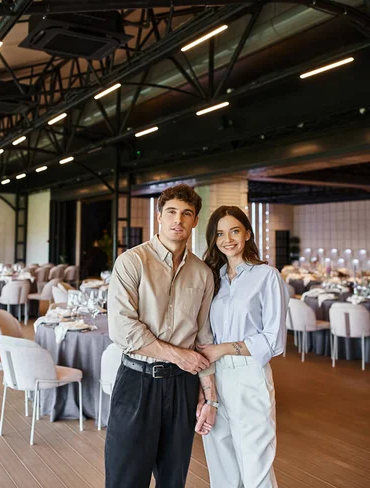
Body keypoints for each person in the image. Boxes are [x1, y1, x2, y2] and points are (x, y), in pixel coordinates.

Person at [106, 183, 218, 488]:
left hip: (183, 386)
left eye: (186, 214)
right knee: (125, 478)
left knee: (173, 478)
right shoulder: (132, 262)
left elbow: (204, 336)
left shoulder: (203, 274)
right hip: (136, 382)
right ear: (159, 216)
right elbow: (122, 328)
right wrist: (178, 355)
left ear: (195, 221)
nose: (178, 220)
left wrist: (211, 398)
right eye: (171, 212)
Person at [198, 205, 289, 488]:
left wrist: (222, 348)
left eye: (234, 231)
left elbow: (272, 340)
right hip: (215, 379)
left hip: (250, 377)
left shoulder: (267, 276)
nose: (228, 239)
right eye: (220, 233)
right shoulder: (214, 279)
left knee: (255, 466)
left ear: (248, 234)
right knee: (221, 467)